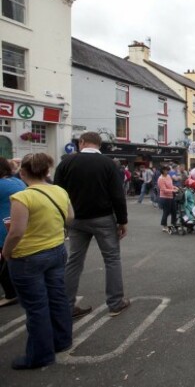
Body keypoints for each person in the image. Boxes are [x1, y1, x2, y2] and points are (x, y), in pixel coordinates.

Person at [2, 153, 74, 369]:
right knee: (57, 297)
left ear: (22, 173)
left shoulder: (23, 198)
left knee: (36, 306)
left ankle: (40, 355)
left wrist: (6, 252)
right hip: (56, 249)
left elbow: (16, 232)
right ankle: (62, 340)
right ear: (46, 172)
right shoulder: (59, 190)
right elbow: (70, 216)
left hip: (28, 256)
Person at [55, 132, 130, 319]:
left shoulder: (66, 163)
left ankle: (66, 305)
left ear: (81, 142)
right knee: (112, 259)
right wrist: (122, 220)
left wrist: (61, 219)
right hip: (103, 218)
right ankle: (115, 302)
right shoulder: (108, 164)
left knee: (74, 260)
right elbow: (117, 195)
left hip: (76, 219)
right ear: (99, 145)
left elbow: (58, 192)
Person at [0, 158, 26, 308]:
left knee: (4, 263)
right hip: (15, 224)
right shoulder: (17, 182)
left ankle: (11, 294)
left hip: (3, 228)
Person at [157, 165, 179, 232]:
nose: (167, 171)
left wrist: (174, 187)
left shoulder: (168, 176)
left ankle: (173, 224)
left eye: (167, 170)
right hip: (165, 197)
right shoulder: (160, 179)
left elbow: (170, 185)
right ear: (162, 171)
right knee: (166, 212)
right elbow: (163, 189)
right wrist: (173, 190)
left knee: (174, 211)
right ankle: (164, 226)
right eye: (166, 170)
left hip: (171, 196)